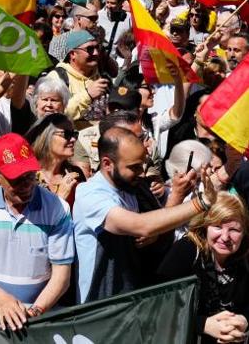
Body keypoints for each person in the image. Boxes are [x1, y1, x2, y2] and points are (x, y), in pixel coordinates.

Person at [73, 127, 215, 303]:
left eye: (142, 164)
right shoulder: (90, 193)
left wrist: (155, 233)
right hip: (99, 306)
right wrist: (201, 202)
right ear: (107, 163)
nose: (141, 172)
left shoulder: (133, 186)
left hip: (133, 298)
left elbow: (154, 226)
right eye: (134, 167)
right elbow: (141, 225)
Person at [0, 133, 74, 332]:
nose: (27, 185)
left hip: (36, 322)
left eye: (31, 176)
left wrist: (35, 313)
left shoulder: (57, 209)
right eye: (17, 179)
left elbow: (61, 276)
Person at [158, 192, 249, 344]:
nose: (225, 237)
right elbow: (159, 307)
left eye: (234, 230)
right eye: (217, 227)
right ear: (205, 225)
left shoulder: (244, 256)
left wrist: (244, 320)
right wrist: (203, 324)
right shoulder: (187, 250)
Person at [47, 30, 109, 128]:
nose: (96, 53)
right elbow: (53, 115)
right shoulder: (57, 77)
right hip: (71, 140)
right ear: (73, 54)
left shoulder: (101, 75)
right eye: (89, 49)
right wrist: (87, 95)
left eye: (97, 47)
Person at [26, 113, 85, 206]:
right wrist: (60, 198)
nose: (73, 139)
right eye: (67, 134)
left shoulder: (76, 173)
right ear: (45, 137)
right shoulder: (28, 175)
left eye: (74, 134)